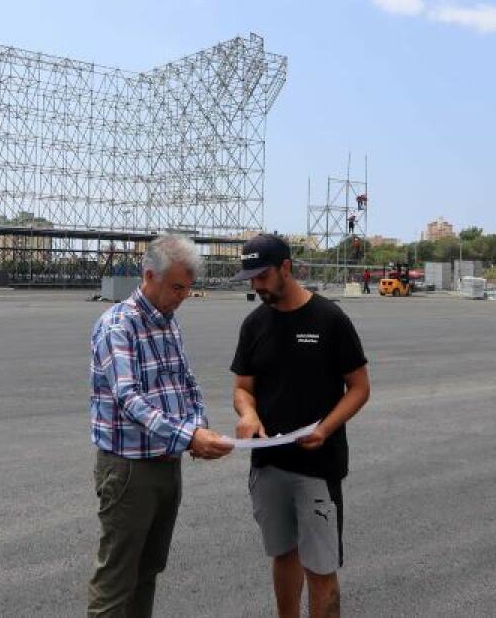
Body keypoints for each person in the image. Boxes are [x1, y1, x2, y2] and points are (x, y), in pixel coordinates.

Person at [87, 234, 233, 618]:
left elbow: (186, 383)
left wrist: (199, 425)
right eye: (177, 287)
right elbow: (129, 398)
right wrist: (189, 436)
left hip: (167, 465)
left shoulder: (168, 323)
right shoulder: (119, 325)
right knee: (116, 582)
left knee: (148, 571)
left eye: (188, 288)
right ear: (149, 276)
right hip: (130, 469)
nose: (183, 296)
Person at [229, 233, 371, 617]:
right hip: (268, 466)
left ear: (286, 269)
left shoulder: (329, 319)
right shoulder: (254, 324)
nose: (256, 287)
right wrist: (248, 414)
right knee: (283, 556)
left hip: (317, 468)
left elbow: (359, 388)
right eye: (251, 279)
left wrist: (326, 428)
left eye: (262, 277)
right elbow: (242, 388)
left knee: (321, 569)